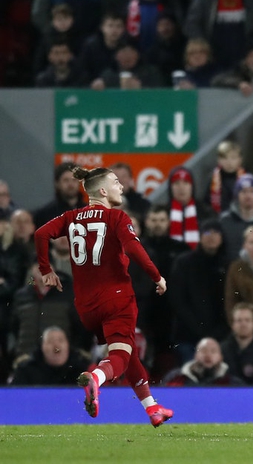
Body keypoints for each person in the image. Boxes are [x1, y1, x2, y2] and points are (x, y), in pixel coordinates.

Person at [33, 166, 173, 427]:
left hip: (85, 305)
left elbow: (40, 234)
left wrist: (46, 270)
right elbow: (133, 248)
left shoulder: (71, 216)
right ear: (103, 191)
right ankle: (95, 378)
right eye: (116, 182)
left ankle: (152, 408)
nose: (121, 187)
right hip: (117, 298)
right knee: (119, 356)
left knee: (127, 354)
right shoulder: (117, 218)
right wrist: (157, 277)